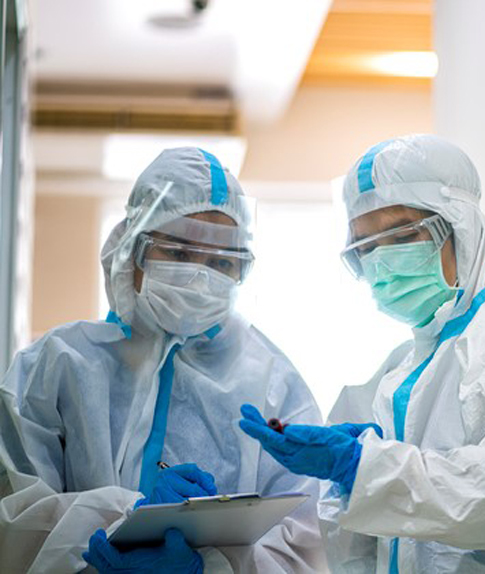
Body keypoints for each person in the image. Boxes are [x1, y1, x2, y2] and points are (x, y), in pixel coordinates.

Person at [240, 134, 485, 572]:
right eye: (365, 246)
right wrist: (348, 470)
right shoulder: (404, 367)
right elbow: (384, 533)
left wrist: (362, 466)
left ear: (459, 226)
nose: (380, 261)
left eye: (399, 234)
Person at [0, 148, 326, 572]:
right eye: (177, 252)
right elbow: (13, 522)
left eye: (220, 262)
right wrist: (119, 530)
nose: (198, 276)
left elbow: (306, 549)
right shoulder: (56, 366)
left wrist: (207, 568)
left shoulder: (273, 384)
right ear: (130, 248)